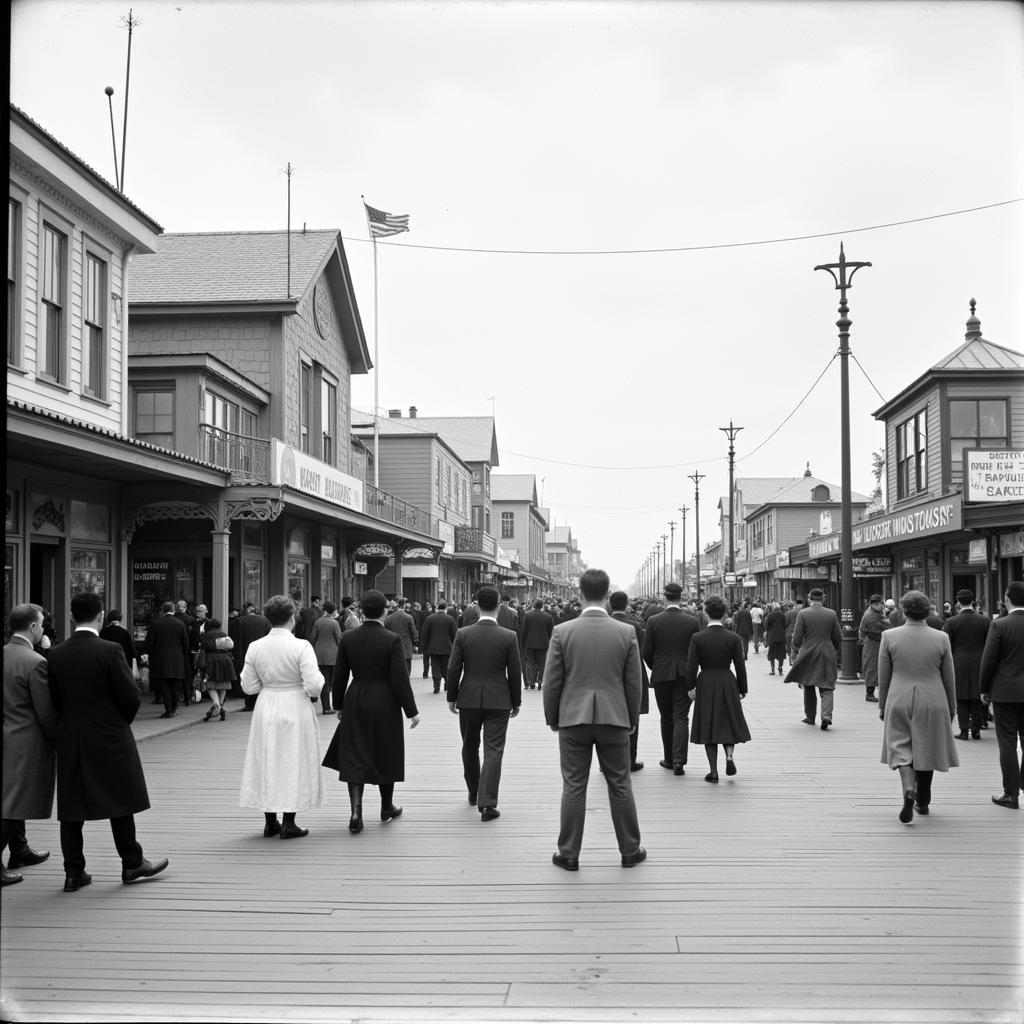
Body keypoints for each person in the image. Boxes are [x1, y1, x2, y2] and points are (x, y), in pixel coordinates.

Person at [47, 593, 168, 891]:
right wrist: (117, 723)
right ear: (100, 615)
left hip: (72, 733)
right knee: (120, 798)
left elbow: (54, 700)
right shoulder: (110, 650)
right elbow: (130, 696)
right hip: (109, 733)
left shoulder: (56, 654)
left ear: (73, 617)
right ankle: (131, 862)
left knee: (72, 805)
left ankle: (74, 872)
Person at [543, 569, 645, 871]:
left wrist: (553, 717)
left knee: (574, 784)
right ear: (606, 595)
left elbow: (552, 682)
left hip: (573, 718)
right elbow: (634, 683)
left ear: (580, 593)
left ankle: (568, 853)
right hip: (615, 717)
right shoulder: (625, 632)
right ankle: (630, 849)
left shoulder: (563, 631)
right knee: (620, 782)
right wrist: (631, 717)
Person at [322, 590, 420, 834]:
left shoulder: (348, 638)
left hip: (356, 696)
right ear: (385, 612)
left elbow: (341, 674)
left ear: (361, 612)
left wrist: (339, 705)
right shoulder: (392, 639)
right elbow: (400, 679)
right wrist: (411, 711)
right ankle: (386, 806)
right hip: (385, 699)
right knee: (386, 750)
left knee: (355, 751)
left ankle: (356, 812)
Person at [239, 595, 324, 839]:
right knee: (293, 759)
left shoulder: (256, 646)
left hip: (267, 703)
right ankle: (289, 821)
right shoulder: (301, 646)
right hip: (294, 703)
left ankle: (269, 821)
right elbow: (314, 685)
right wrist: (312, 687)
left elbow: (249, 686)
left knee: (266, 757)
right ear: (292, 618)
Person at [877, 590, 959, 823]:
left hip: (899, 696)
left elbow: (884, 676)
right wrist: (951, 707)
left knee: (900, 747)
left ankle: (907, 788)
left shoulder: (889, 636)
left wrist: (883, 704)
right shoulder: (941, 638)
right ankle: (923, 800)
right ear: (927, 611)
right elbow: (949, 676)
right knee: (927, 746)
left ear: (903, 611)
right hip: (933, 697)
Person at [446, 586, 522, 820]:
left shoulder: (463, 634)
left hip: (468, 697)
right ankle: (487, 802)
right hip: (499, 699)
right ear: (499, 606)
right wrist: (516, 701)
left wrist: (452, 696)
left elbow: (453, 667)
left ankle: (473, 790)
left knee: (469, 745)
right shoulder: (509, 636)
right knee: (494, 750)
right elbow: (514, 671)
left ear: (476, 606)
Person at [2, 603, 57, 887]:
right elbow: (45, 711)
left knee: (11, 796)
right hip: (27, 742)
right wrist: (58, 740)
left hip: (7, 736)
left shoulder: (6, 654)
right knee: (17, 802)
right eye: (42, 625)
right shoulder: (35, 661)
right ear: (33, 627)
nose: (44, 629)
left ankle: (20, 849)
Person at [687, 595, 750, 782]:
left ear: (706, 614)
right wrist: (742, 688)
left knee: (709, 724)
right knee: (728, 720)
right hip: (727, 680)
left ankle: (713, 771)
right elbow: (740, 665)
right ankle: (729, 755)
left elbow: (691, 665)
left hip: (706, 680)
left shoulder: (698, 638)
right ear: (724, 615)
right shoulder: (733, 637)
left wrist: (690, 686)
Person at [641, 582, 700, 775]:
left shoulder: (654, 621)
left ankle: (668, 758)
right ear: (681, 597)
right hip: (685, 675)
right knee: (681, 717)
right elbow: (697, 651)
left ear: (665, 597)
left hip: (662, 675)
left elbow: (647, 651)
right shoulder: (692, 621)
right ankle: (679, 761)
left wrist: (655, 666)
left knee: (666, 717)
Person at [979, 581, 1024, 809]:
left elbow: (989, 661)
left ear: (1007, 599)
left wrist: (984, 689)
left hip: (1005, 692)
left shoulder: (999, 625)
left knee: (1007, 742)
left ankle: (1011, 793)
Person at [784, 588, 841, 730]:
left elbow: (796, 637)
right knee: (827, 686)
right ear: (823, 599)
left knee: (808, 685)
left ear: (810, 599)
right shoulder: (831, 614)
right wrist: (832, 648)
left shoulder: (803, 613)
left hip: (808, 651)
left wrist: (798, 650)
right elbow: (838, 636)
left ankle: (810, 717)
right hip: (827, 651)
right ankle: (826, 716)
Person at [609, 591, 649, 772]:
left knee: (608, 719)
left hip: (609, 676)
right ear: (626, 606)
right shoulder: (635, 626)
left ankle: (607, 762)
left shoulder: (604, 625)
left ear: (610, 604)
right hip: (633, 675)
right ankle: (630, 761)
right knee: (633, 718)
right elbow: (640, 651)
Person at [943, 590, 991, 741]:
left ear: (958, 602)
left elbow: (947, 645)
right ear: (973, 601)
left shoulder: (951, 622)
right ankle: (976, 730)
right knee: (977, 697)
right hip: (980, 661)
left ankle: (964, 730)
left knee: (961, 697)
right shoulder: (984, 621)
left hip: (959, 662)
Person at [145, 601, 191, 719]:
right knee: (175, 685)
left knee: (165, 686)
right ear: (173, 610)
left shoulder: (156, 623)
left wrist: (151, 655)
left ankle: (168, 709)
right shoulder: (180, 624)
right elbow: (186, 643)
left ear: (162, 611)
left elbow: (149, 643)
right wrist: (183, 655)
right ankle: (174, 708)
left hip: (161, 660)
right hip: (177, 659)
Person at [198, 617, 236, 722]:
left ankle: (217, 706)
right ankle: (221, 706)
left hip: (212, 661)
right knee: (223, 683)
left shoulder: (206, 636)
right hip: (226, 661)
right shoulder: (224, 635)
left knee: (211, 684)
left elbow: (203, 649)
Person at [236, 602, 272, 711]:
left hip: (246, 653)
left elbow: (238, 641)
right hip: (262, 654)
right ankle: (258, 702)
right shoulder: (265, 622)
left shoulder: (240, 621)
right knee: (260, 678)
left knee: (249, 677)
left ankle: (249, 704)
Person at [309, 601, 342, 714]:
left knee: (324, 681)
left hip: (319, 654)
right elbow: (339, 639)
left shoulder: (317, 622)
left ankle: (326, 706)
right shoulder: (334, 623)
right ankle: (330, 706)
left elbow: (312, 638)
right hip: (332, 655)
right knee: (331, 682)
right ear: (333, 611)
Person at [857, 595, 890, 703]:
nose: (883, 606)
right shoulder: (871, 616)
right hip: (873, 645)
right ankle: (869, 694)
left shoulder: (874, 613)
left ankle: (871, 692)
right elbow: (877, 632)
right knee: (872, 667)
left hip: (873, 644)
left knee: (873, 667)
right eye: (882, 604)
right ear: (875, 604)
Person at [420, 600, 458, 695]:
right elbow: (455, 635)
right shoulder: (450, 619)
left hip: (433, 648)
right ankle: (447, 685)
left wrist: (424, 648)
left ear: (437, 608)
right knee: (446, 667)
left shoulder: (429, 618)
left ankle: (436, 686)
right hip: (447, 648)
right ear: (445, 609)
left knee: (435, 667)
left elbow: (424, 634)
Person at [520, 599, 554, 690]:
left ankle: (531, 682)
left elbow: (524, 631)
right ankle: (540, 681)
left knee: (531, 663)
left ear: (534, 605)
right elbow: (551, 633)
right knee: (542, 663)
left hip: (530, 643)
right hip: (543, 644)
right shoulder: (548, 617)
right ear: (542, 606)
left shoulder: (528, 615)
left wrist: (522, 644)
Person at [99, 609, 139, 680]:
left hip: (107, 664)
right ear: (120, 619)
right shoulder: (124, 632)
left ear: (108, 619)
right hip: (122, 664)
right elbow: (132, 650)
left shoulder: (103, 632)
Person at [384, 598, 419, 676]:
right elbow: (413, 632)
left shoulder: (389, 618)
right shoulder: (409, 617)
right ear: (404, 606)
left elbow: (385, 632)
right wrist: (415, 642)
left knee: (394, 665)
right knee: (407, 665)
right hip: (406, 645)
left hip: (392, 645)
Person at [762, 602, 787, 676]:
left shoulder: (770, 615)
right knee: (781, 653)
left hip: (772, 637)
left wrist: (767, 631)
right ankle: (780, 668)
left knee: (772, 652)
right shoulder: (783, 615)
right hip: (781, 637)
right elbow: (786, 625)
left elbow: (766, 625)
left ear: (773, 608)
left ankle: (772, 669)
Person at [784, 599, 802, 665]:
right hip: (800, 632)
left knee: (790, 645)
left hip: (790, 631)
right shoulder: (804, 611)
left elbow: (786, 623)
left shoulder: (790, 613)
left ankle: (791, 659)